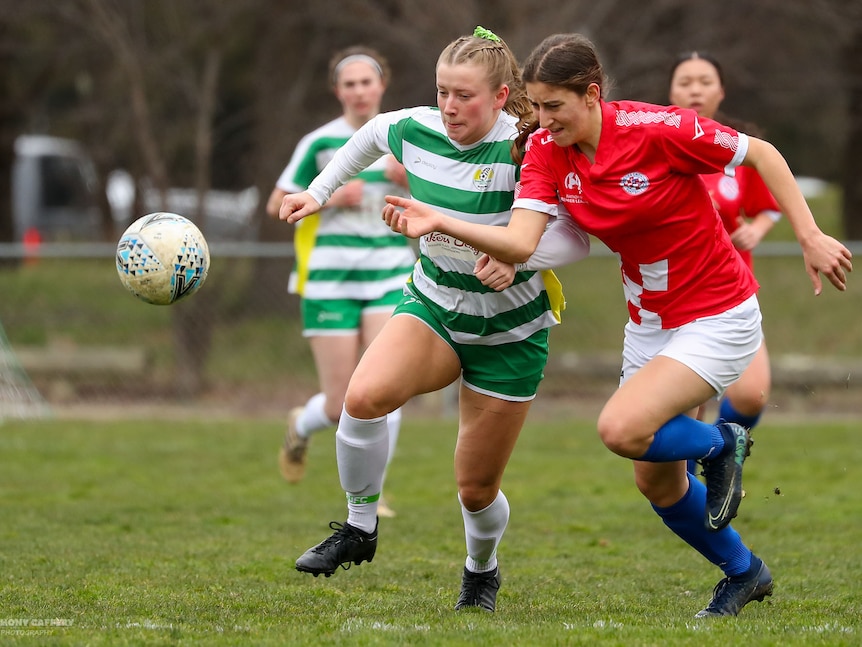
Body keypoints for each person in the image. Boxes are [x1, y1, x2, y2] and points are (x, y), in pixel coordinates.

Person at [381, 33, 852, 618]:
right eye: (536, 105)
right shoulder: (548, 153)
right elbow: (526, 239)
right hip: (649, 322)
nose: (543, 119)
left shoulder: (657, 130)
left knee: (620, 428)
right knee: (656, 483)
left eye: (555, 106)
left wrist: (808, 234)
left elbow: (761, 153)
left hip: (717, 312)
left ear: (592, 95)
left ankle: (722, 441)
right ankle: (745, 572)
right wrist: (474, 237)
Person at [279, 27, 590, 612]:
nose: (449, 106)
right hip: (436, 304)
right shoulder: (417, 128)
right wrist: (320, 193)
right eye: (443, 91)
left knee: (475, 489)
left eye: (464, 95)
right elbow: (370, 135)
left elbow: (579, 239)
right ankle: (359, 527)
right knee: (363, 396)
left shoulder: (531, 148)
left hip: (511, 331)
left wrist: (516, 253)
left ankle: (481, 570)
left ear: (501, 97)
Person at [266, 46, 417, 517]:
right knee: (339, 404)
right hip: (329, 279)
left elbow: (448, 196)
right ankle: (302, 423)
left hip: (391, 273)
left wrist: (410, 180)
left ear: (381, 86)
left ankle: (375, 493)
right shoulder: (320, 143)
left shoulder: (405, 138)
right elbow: (276, 203)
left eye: (366, 82)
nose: (358, 91)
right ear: (338, 91)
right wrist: (327, 197)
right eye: (348, 84)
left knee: (385, 387)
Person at [668, 52, 780, 446]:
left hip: (733, 292)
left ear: (721, 90)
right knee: (685, 409)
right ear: (670, 91)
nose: (695, 90)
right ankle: (692, 479)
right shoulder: (657, 143)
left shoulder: (738, 147)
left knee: (752, 394)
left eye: (704, 81)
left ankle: (720, 458)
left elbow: (768, 205)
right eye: (685, 82)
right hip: (678, 296)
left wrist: (757, 229)